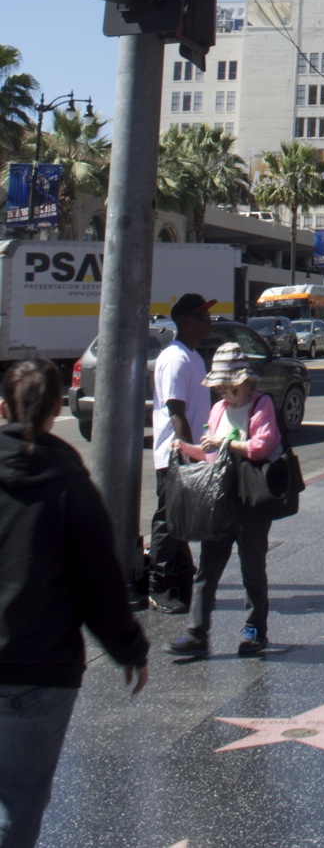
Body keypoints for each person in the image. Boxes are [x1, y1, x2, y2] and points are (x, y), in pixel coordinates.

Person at [0, 360, 148, 846]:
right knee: (19, 803)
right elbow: (99, 584)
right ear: (56, 408)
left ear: (2, 407)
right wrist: (128, 648)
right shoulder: (70, 483)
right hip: (39, 668)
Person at [167, 343, 283, 661]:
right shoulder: (218, 410)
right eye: (219, 387)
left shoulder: (261, 405)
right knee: (207, 569)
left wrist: (226, 442)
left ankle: (253, 631)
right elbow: (210, 454)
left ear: (246, 383)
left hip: (251, 500)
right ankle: (196, 633)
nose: (223, 393)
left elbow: (262, 446)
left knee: (252, 569)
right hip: (220, 500)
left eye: (229, 387)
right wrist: (188, 449)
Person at [148, 292, 213, 614]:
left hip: (189, 453)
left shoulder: (193, 356)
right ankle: (158, 585)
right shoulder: (176, 358)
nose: (209, 320)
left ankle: (182, 578)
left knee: (180, 520)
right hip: (175, 454)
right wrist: (188, 454)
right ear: (186, 321)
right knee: (168, 520)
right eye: (203, 315)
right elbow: (176, 411)